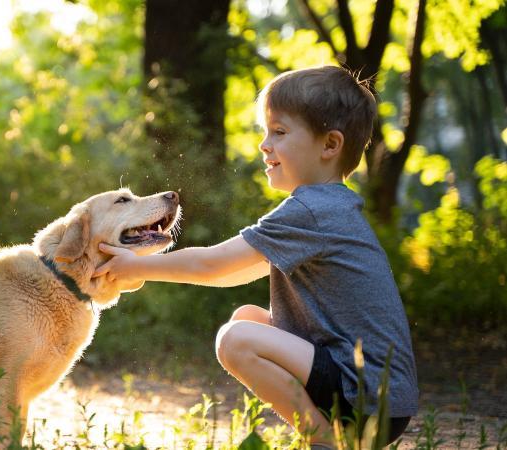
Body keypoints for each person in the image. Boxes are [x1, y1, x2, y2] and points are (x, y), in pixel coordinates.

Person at [93, 65, 418, 448]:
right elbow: (228, 273)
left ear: (330, 145)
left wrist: (138, 264)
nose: (265, 144)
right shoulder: (329, 208)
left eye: (279, 132)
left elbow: (210, 263)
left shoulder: (312, 210)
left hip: (366, 397)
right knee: (246, 319)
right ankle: (327, 435)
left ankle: (326, 443)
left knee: (237, 339)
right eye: (265, 132)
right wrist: (149, 269)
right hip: (376, 396)